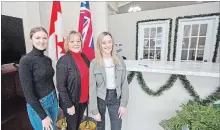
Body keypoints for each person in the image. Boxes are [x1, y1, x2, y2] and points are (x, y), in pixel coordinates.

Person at [19, 27, 58, 130]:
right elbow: (28, 94)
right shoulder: (25, 61)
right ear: (31, 39)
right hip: (39, 105)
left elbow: (50, 81)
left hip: (53, 100)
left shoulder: (48, 60)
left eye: (44, 38)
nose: (41, 41)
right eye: (38, 38)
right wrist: (43, 116)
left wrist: (56, 99)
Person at [89, 31, 129, 130]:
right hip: (100, 98)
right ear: (99, 45)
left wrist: (123, 104)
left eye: (109, 42)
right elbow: (92, 87)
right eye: (104, 43)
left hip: (116, 97)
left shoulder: (120, 60)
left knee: (116, 126)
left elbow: (124, 83)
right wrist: (94, 110)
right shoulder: (94, 63)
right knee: (100, 127)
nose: (107, 45)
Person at [56, 30, 90, 130]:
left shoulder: (84, 57)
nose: (76, 43)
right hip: (71, 103)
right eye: (72, 41)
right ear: (67, 43)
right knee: (72, 127)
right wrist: (69, 105)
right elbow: (61, 86)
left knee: (78, 124)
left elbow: (87, 79)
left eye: (78, 41)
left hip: (83, 100)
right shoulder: (64, 60)